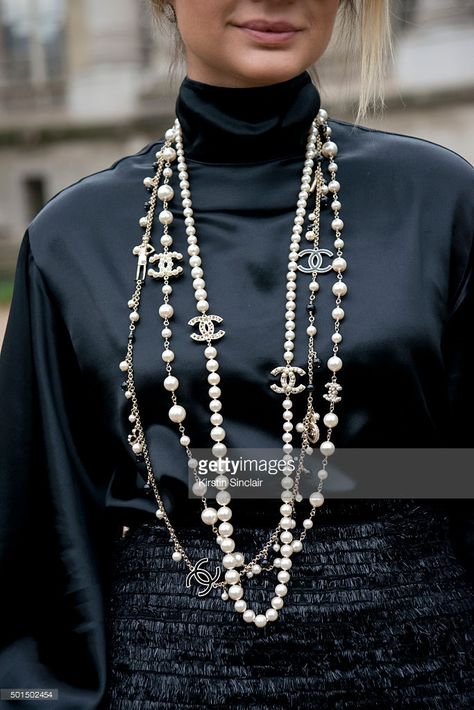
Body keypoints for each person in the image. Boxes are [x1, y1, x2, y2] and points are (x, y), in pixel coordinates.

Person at [1, 1, 473, 707]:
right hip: (165, 682)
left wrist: (208, 471)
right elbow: (42, 551)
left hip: (428, 672)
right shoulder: (71, 238)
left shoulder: (440, 201)